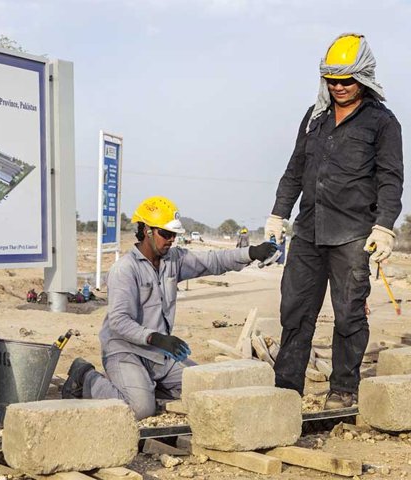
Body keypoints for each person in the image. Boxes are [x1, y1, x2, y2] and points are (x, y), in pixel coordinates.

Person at [266, 34, 403, 409]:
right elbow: (295, 170)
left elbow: (391, 178)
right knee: (294, 310)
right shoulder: (314, 119)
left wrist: (385, 225)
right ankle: (286, 389)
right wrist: (279, 213)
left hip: (353, 235)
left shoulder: (382, 123)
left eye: (346, 80)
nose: (338, 87)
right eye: (332, 79)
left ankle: (343, 388)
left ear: (364, 78)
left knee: (349, 315)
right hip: (308, 232)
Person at [62, 196, 278, 419]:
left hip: (158, 354)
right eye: (165, 234)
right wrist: (156, 338)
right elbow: (119, 322)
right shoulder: (125, 270)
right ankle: (86, 377)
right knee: (141, 409)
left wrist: (250, 253)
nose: (171, 240)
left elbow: (213, 261)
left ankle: (148, 385)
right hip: (125, 351)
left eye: (173, 235)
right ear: (147, 230)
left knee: (204, 387)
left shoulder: (173, 260)